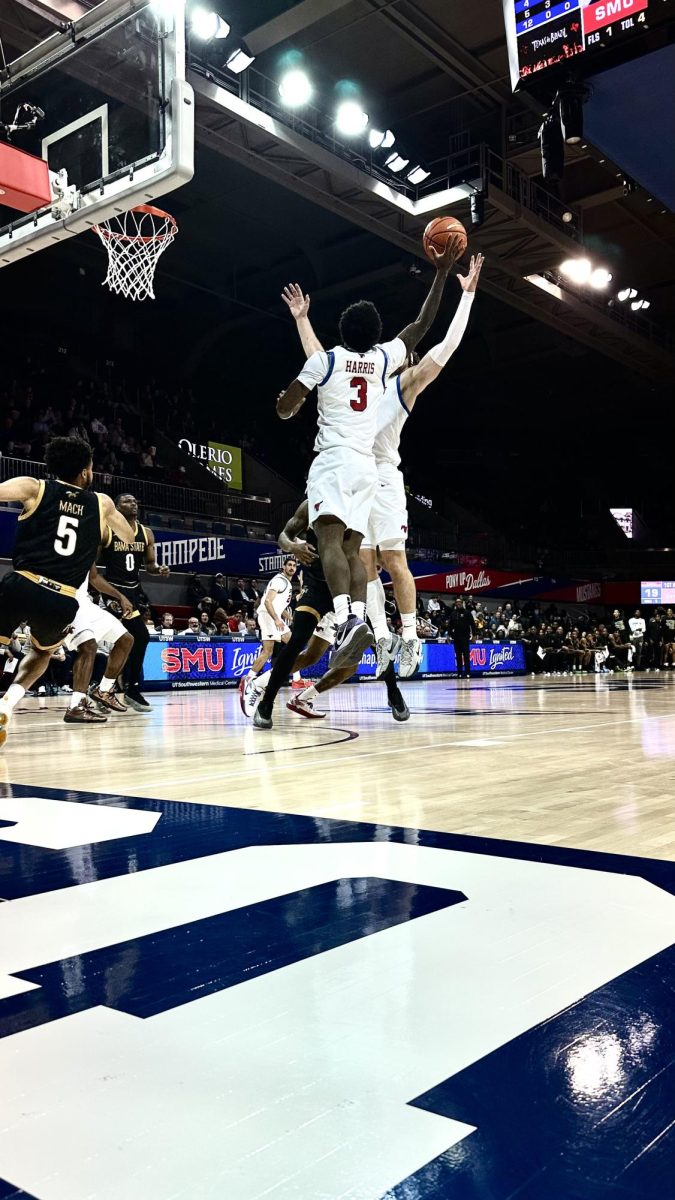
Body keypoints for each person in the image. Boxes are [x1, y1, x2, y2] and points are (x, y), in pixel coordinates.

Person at [283, 253, 483, 681]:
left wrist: (464, 296)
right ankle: (377, 635)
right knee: (362, 561)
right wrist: (302, 320)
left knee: (392, 559)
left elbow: (443, 344)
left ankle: (409, 636)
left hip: (380, 475)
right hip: (359, 475)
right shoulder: (372, 370)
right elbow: (326, 359)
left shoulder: (404, 383)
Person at [0, 435, 136, 745]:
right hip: (62, 598)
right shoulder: (101, 503)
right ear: (86, 471)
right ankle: (5, 704)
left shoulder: (34, 487)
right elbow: (127, 537)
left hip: (22, 582)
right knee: (42, 653)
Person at [248, 502, 408, 728]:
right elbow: (284, 535)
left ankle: (393, 692)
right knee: (298, 643)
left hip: (350, 585)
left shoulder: (360, 501)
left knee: (371, 642)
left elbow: (378, 552)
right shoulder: (312, 503)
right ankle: (266, 702)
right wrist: (293, 547)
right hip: (318, 584)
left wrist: (381, 561)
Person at [97, 493, 169, 712]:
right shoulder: (107, 529)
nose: (133, 503)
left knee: (133, 640)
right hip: (113, 591)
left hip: (134, 591)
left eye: (135, 501)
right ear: (116, 507)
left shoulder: (146, 533)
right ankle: (128, 688)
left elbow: (149, 564)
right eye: (127, 501)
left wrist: (159, 569)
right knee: (136, 637)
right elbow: (92, 566)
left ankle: (106, 688)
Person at [62, 565, 135, 724]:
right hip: (65, 598)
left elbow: (93, 577)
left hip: (84, 602)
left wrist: (120, 596)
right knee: (88, 646)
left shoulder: (89, 541)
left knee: (126, 639)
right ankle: (76, 706)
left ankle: (104, 690)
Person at [239, 557, 296, 713]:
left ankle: (249, 678)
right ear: (283, 567)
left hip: (269, 616)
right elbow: (267, 602)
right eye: (289, 565)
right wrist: (277, 619)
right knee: (293, 644)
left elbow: (278, 604)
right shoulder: (280, 580)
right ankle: (297, 680)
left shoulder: (286, 582)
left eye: (294, 565)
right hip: (268, 616)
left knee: (268, 651)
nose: (291, 567)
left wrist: (289, 617)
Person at [448, 597, 476, 680]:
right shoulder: (453, 614)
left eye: (460, 602)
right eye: (457, 602)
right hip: (456, 638)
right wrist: (449, 635)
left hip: (465, 638)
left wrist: (474, 635)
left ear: (462, 603)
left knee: (466, 656)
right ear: (455, 604)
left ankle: (468, 673)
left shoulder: (467, 613)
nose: (458, 604)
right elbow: (450, 625)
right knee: (458, 656)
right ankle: (459, 673)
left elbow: (472, 624)